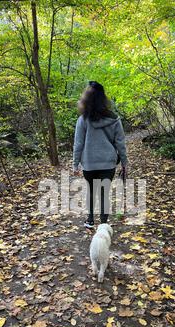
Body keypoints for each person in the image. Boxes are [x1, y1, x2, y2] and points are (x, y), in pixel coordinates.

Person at [73, 81, 128, 229]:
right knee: (104, 193)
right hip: (108, 163)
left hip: (89, 163)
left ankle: (90, 220)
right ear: (103, 98)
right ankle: (104, 224)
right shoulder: (114, 118)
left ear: (87, 99)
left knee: (91, 191)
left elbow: (78, 144)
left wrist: (75, 164)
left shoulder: (83, 119)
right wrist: (124, 162)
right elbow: (120, 143)